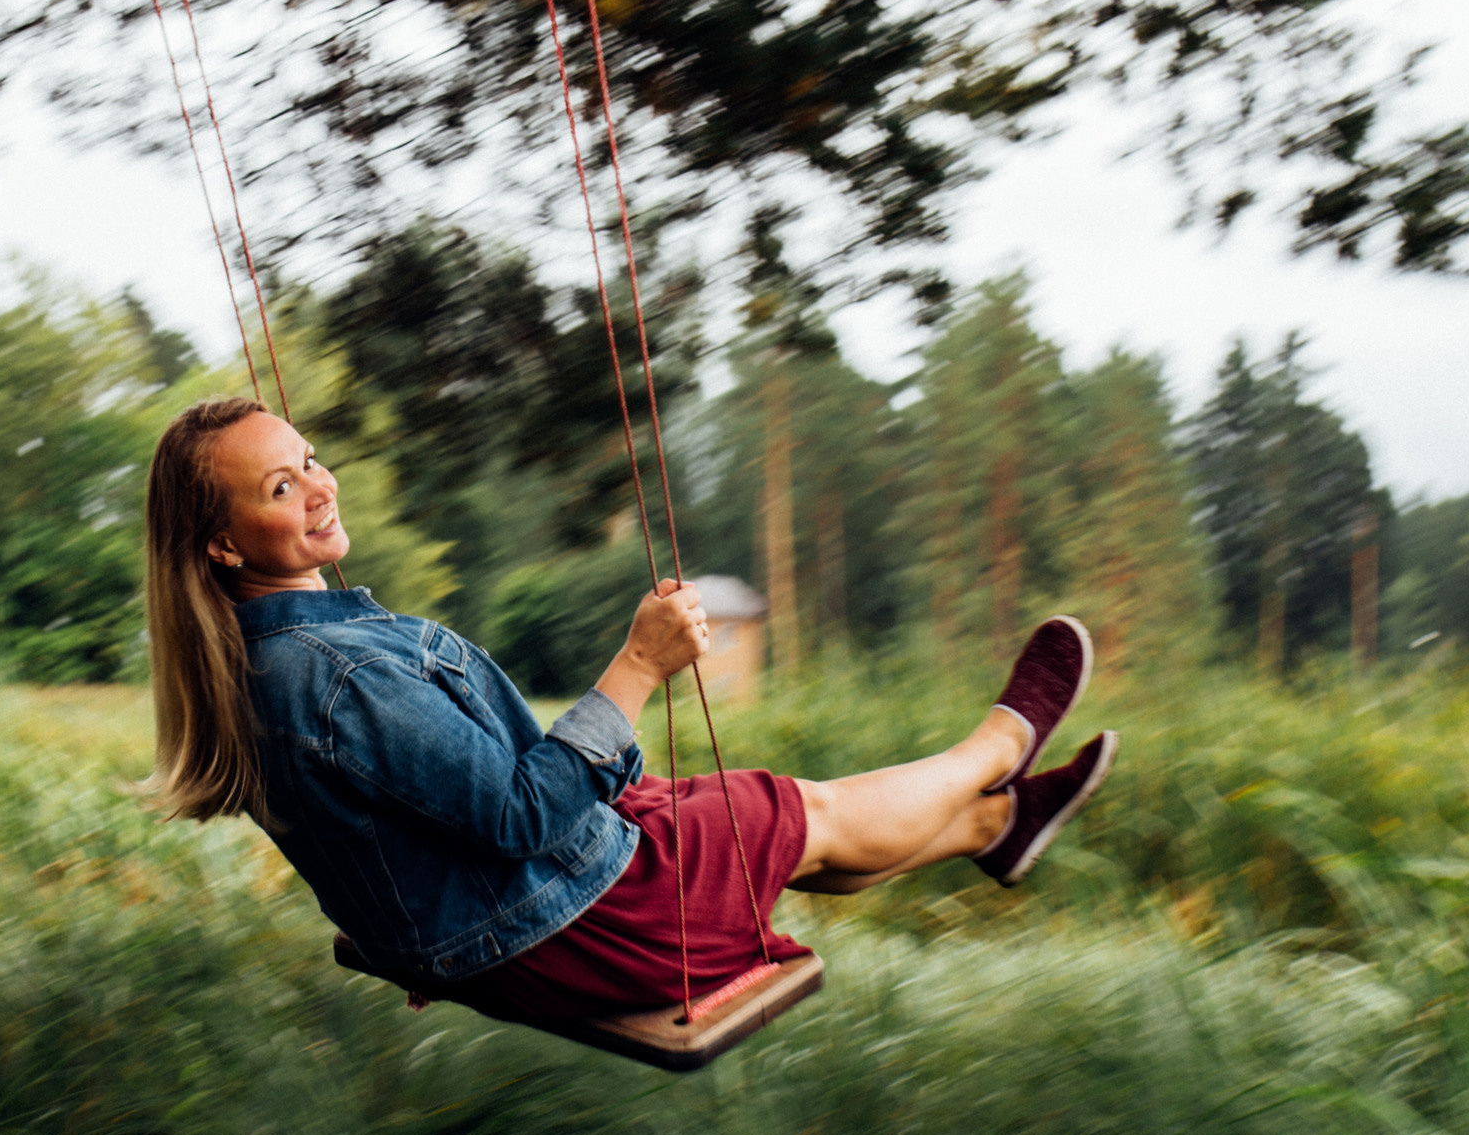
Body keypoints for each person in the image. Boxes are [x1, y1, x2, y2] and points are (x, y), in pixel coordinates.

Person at [141, 397, 1116, 1021]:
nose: (318, 485)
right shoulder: (334, 676)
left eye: (309, 457)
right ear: (224, 545)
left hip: (506, 913)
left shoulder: (254, 660)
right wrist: (638, 664)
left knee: (783, 829)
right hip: (566, 927)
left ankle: (995, 821)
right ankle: (999, 745)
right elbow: (519, 813)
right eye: (280, 484)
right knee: (803, 814)